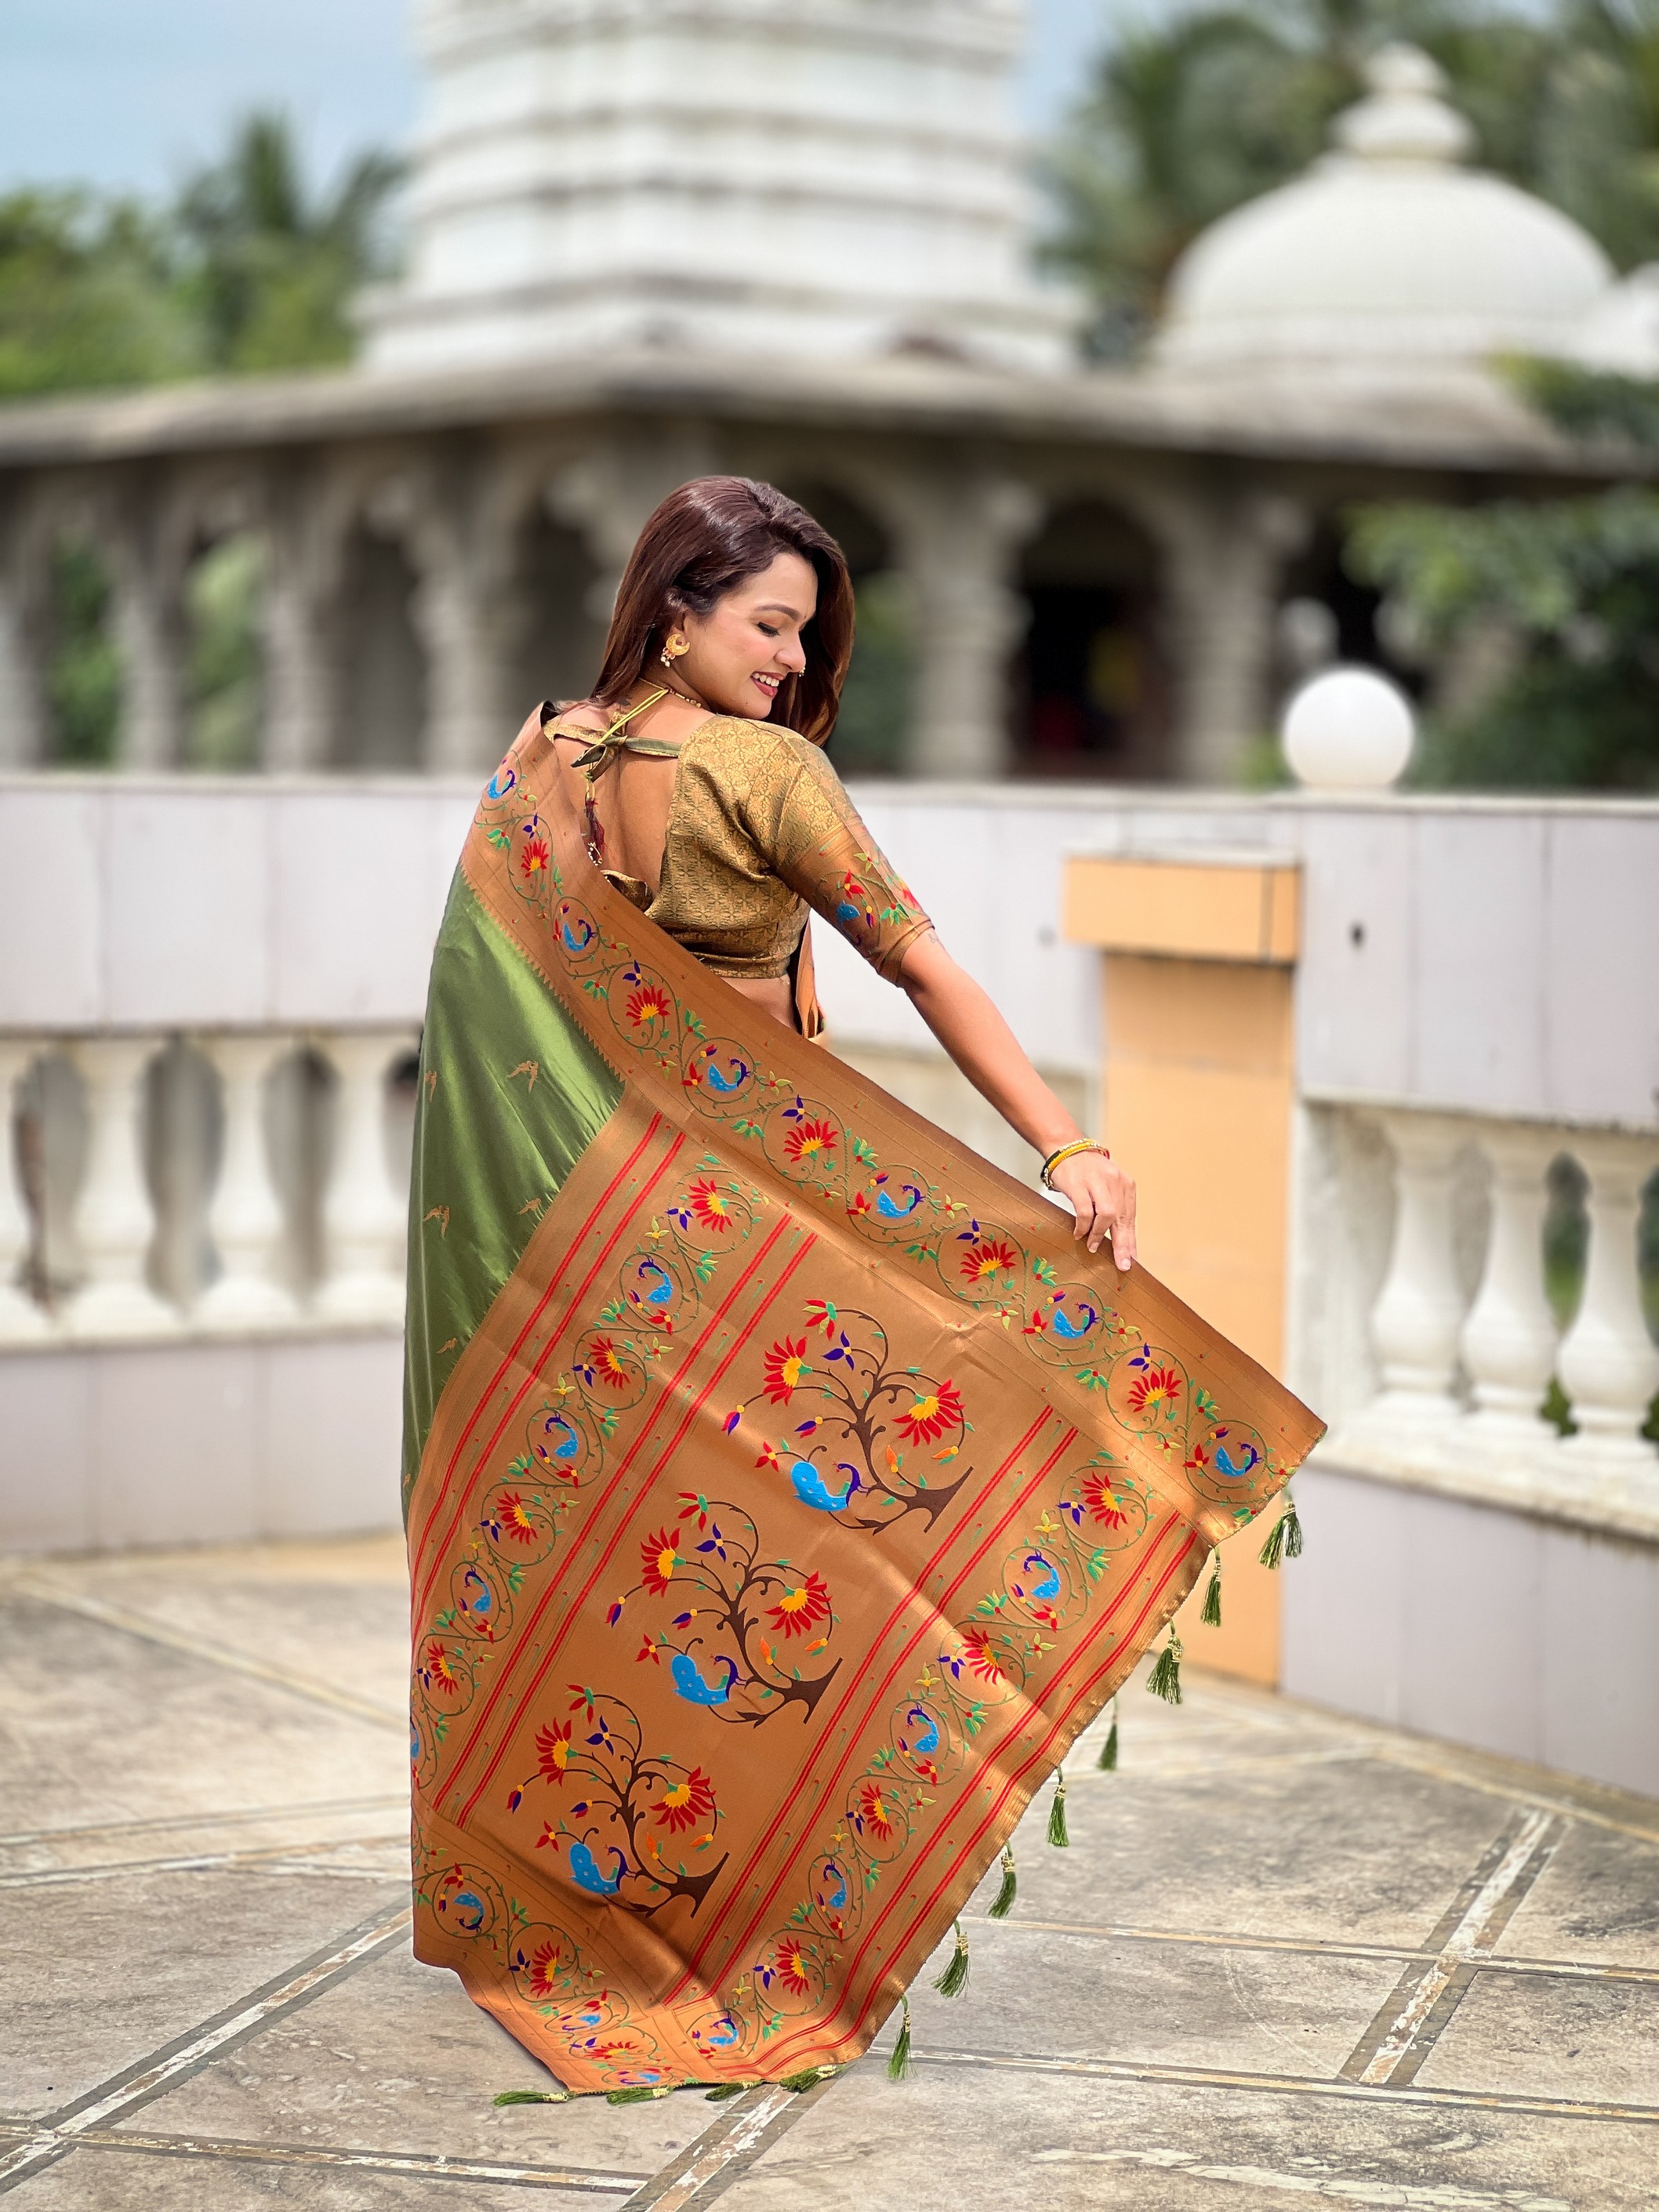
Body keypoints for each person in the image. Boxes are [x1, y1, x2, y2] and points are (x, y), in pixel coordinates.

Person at [403, 478, 1320, 2101]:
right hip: (749, 1221)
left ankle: (582, 1910)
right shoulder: (767, 773)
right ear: (675, 612)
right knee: (834, 1540)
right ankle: (742, 1918)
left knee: (627, 1571)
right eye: (768, 625)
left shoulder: (545, 759)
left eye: (804, 635)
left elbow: (487, 1016)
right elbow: (917, 958)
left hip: (600, 1242)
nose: (787, 659)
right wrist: (1064, 1141)